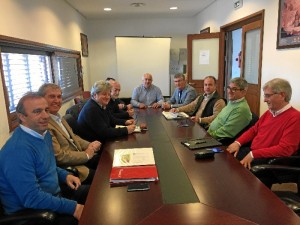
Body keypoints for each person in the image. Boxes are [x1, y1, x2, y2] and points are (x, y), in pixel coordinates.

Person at [0, 92, 87, 225]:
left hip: (52, 197)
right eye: (37, 111)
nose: (45, 116)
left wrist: (64, 175)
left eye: (46, 110)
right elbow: (31, 198)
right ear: (22, 116)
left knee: (96, 196)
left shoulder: (42, 134)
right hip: (33, 214)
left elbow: (46, 165)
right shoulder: (17, 150)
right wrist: (73, 207)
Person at [227, 78, 300, 170]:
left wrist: (254, 154)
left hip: (268, 159)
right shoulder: (269, 112)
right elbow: (253, 130)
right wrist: (238, 142)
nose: (265, 100)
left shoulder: (295, 118)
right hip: (253, 151)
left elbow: (285, 149)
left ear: (282, 95)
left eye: (268, 96)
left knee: (234, 173)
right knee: (225, 158)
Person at [38, 83, 101, 185]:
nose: (57, 100)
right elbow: (59, 156)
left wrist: (89, 145)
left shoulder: (58, 117)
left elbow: (73, 137)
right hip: (72, 168)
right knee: (104, 179)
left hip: (80, 156)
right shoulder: (44, 125)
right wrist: (86, 155)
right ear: (41, 99)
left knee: (109, 163)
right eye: (52, 96)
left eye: (59, 96)